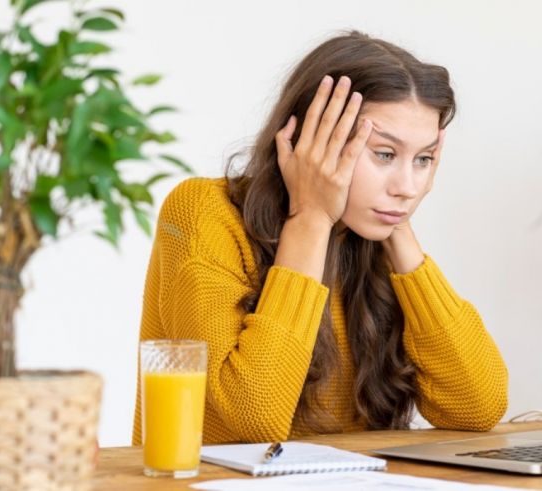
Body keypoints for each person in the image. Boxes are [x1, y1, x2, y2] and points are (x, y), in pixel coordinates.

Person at [132, 30, 508, 444]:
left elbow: (478, 407)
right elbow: (252, 418)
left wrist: (399, 233)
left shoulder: (373, 231)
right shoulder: (204, 212)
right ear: (310, 140)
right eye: (384, 154)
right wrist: (310, 216)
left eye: (423, 159)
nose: (408, 186)